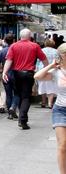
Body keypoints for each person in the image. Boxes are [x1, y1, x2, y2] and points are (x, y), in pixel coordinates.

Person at [3, 28, 48, 130]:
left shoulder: (14, 46)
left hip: (16, 74)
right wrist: (46, 70)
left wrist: (4, 72)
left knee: (18, 94)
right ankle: (22, 119)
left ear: (20, 36)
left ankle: (21, 118)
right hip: (28, 74)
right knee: (26, 97)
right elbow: (44, 59)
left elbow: (9, 60)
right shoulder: (35, 46)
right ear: (29, 36)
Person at [34, 43, 66, 174]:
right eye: (64, 54)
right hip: (60, 110)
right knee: (63, 145)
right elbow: (37, 76)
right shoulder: (56, 72)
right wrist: (52, 65)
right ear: (61, 56)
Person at [0, 34, 20, 119]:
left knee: (8, 94)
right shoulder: (17, 50)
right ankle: (13, 107)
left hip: (6, 74)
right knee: (17, 93)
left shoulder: (2, 51)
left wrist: (1, 69)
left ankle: (10, 114)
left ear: (5, 41)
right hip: (16, 74)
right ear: (14, 40)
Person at [39, 38, 59, 109]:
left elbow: (38, 61)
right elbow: (58, 61)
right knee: (51, 86)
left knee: (42, 85)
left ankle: (43, 102)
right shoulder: (56, 51)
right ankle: (50, 103)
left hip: (42, 69)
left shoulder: (41, 50)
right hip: (52, 70)